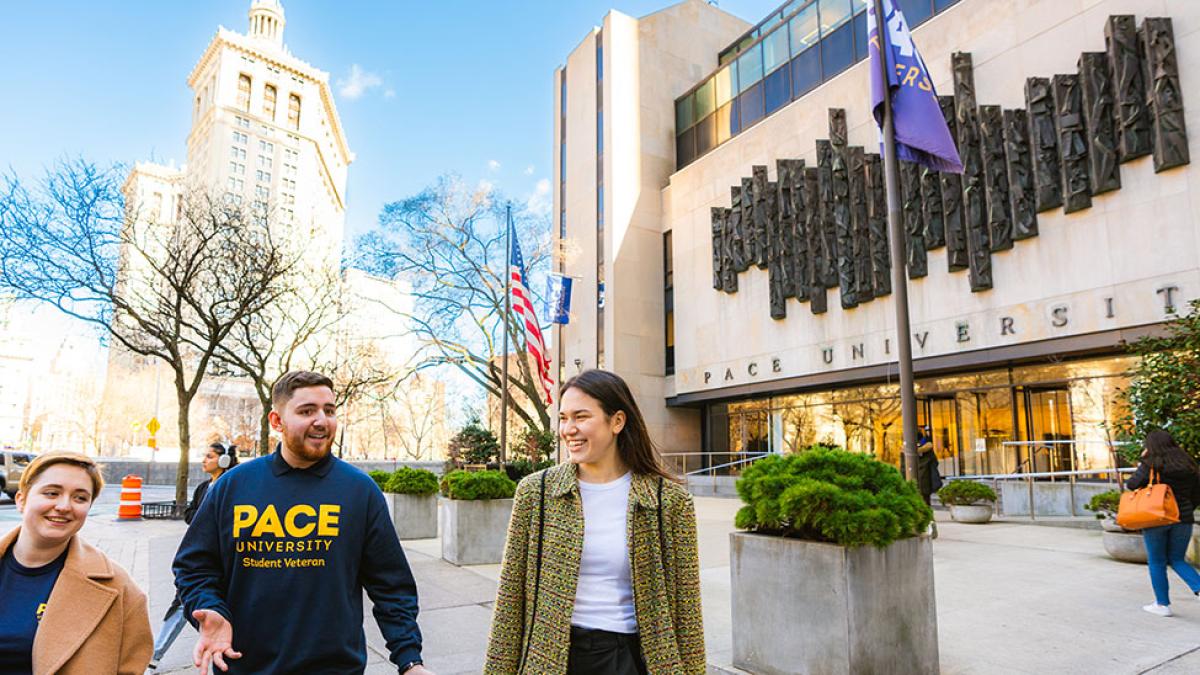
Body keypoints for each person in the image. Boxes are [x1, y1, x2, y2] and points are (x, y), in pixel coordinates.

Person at [173, 371, 432, 674]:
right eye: (307, 411)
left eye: (329, 410)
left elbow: (392, 586)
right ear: (276, 421)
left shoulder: (360, 491)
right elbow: (193, 566)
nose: (322, 420)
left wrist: (410, 660)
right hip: (242, 667)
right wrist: (210, 608)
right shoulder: (232, 486)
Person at [485, 369, 704, 674]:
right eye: (563, 418)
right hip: (549, 659)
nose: (568, 429)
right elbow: (510, 599)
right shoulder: (536, 493)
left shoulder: (668, 501)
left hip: (628, 659)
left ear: (617, 421)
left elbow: (688, 613)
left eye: (581, 417)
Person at [0, 452, 153, 674]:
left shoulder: (120, 590)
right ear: (21, 500)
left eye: (80, 498)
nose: (64, 506)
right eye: (52, 493)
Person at [147, 443, 239, 672]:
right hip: (203, 559)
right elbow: (190, 514)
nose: (204, 460)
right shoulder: (202, 488)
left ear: (224, 460)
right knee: (183, 604)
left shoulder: (234, 486)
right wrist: (207, 518)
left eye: (209, 456)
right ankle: (155, 656)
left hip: (226, 563)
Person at [1125, 429, 1200, 617]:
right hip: (1182, 518)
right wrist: (1185, 509)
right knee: (1177, 559)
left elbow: (1132, 484)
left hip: (1156, 518)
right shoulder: (1187, 464)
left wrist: (1142, 461)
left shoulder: (1151, 463)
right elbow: (1197, 493)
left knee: (1157, 561)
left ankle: (1162, 604)